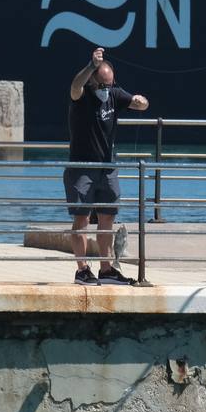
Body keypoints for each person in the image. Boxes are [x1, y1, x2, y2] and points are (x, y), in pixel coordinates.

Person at [65, 47, 148, 286]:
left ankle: (107, 268)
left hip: (108, 167)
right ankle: (82, 270)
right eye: (102, 84)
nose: (106, 89)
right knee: (81, 220)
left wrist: (140, 102)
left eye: (110, 84)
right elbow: (75, 85)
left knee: (107, 218)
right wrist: (91, 65)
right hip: (82, 167)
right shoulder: (81, 95)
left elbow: (137, 104)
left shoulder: (113, 93)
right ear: (93, 81)